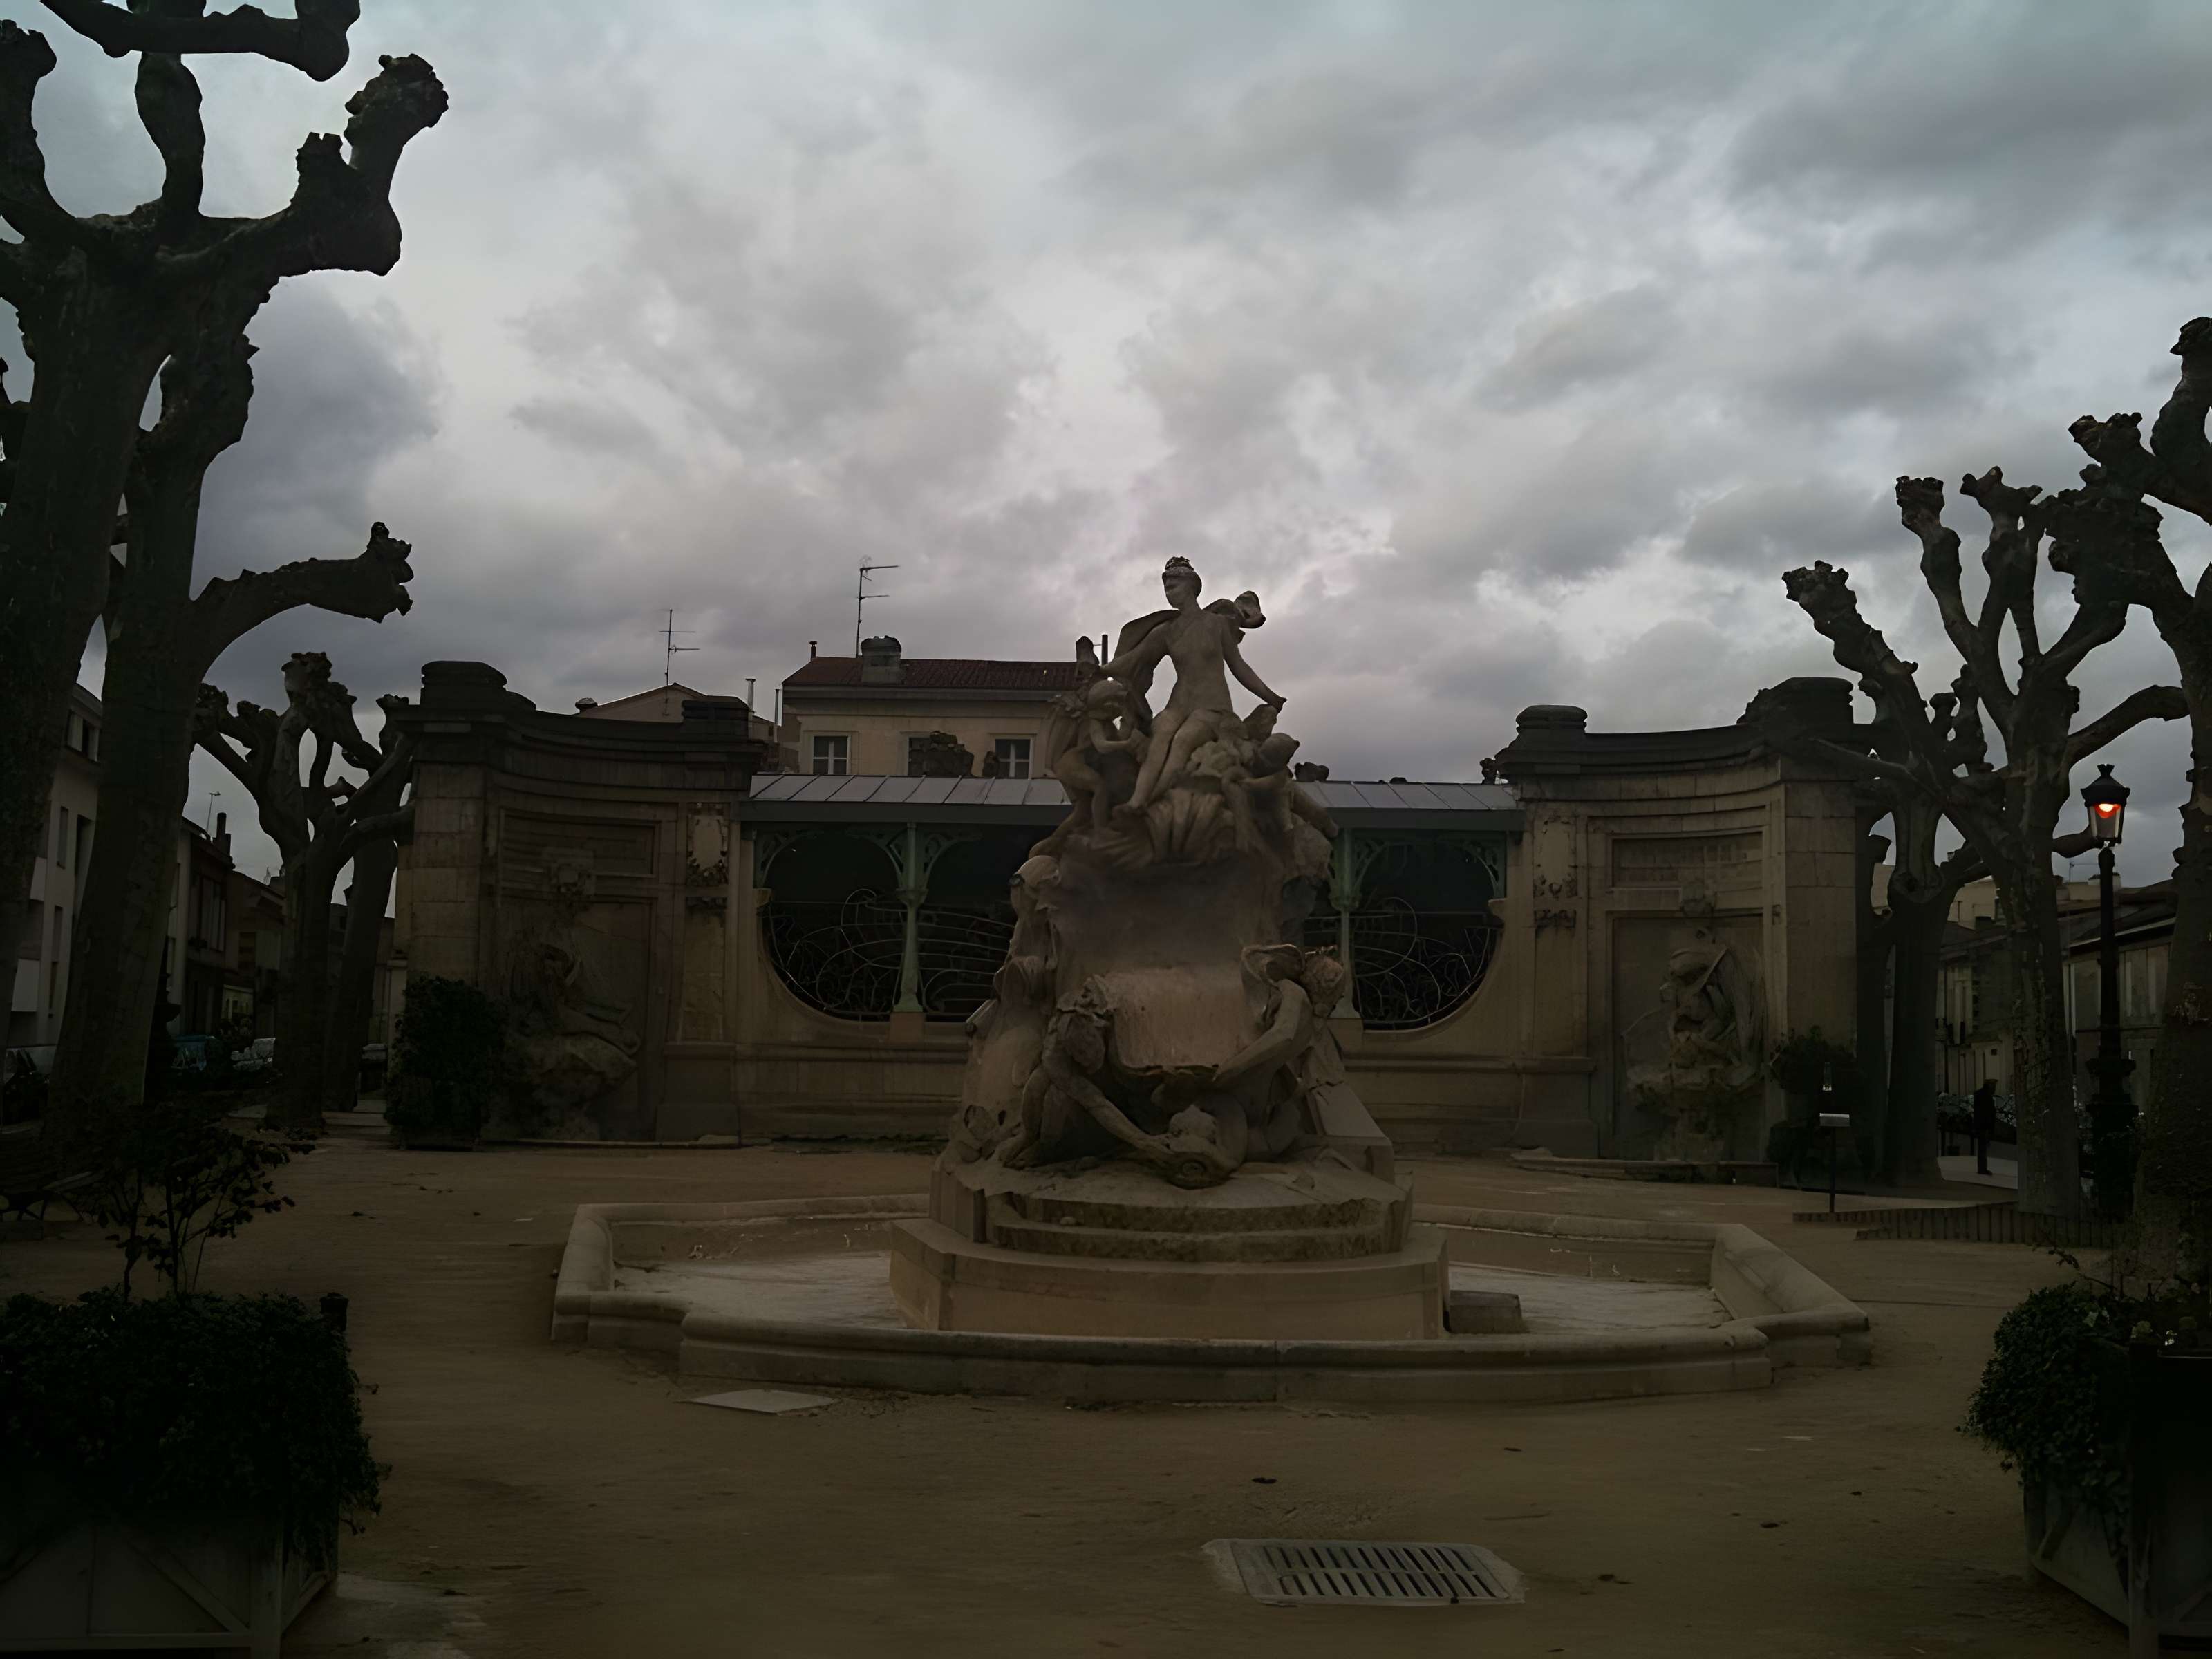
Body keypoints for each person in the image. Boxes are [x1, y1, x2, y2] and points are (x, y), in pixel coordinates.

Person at [1970, 1078, 1996, 1176]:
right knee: (1983, 1148)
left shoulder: (1980, 1095)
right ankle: (1982, 1169)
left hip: (1980, 1124)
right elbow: (1988, 1113)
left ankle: (1982, 1168)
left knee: (1982, 1147)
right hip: (1984, 1125)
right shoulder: (1987, 1097)